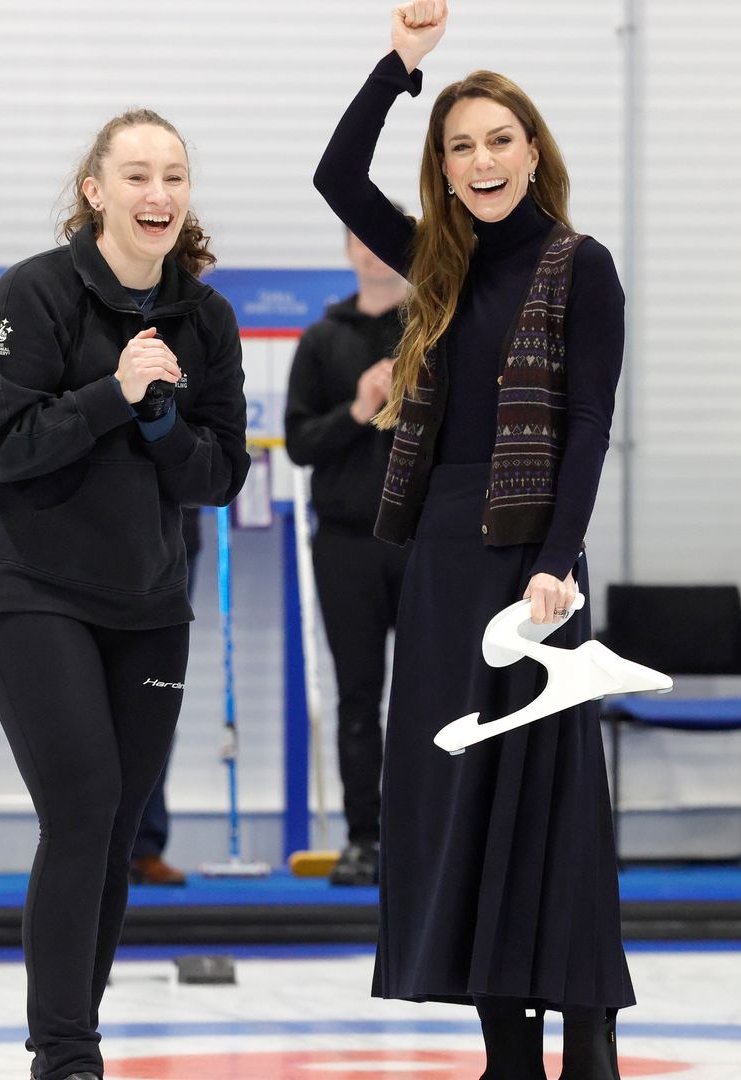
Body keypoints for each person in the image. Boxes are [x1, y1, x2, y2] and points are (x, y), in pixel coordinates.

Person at [314, 4, 630, 1076]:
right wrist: (404, 65)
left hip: (533, 560)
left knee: (553, 800)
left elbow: (588, 425)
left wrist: (556, 561)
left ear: (532, 151)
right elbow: (336, 173)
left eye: (499, 139)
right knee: (465, 792)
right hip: (444, 558)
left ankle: (587, 1027)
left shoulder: (583, 266)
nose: (481, 159)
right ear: (443, 169)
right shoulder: (436, 266)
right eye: (459, 146)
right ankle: (506, 1039)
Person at [0, 110, 249, 1080]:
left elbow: (220, 476)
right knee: (81, 808)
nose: (157, 194)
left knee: (117, 829)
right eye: (136, 176)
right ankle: (67, 1054)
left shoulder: (204, 320)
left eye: (173, 176)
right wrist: (113, 395)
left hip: (149, 605)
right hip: (32, 591)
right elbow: (10, 446)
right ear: (96, 192)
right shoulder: (28, 299)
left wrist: (163, 423)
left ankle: (73, 1032)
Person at [284, 224, 410, 887]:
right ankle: (366, 838)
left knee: (431, 695)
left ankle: (428, 836)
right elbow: (299, 442)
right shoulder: (321, 340)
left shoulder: (436, 331)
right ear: (348, 253)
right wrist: (359, 408)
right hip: (346, 545)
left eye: (383, 240)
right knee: (359, 699)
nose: (373, 251)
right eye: (361, 240)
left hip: (422, 543)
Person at [127, 506, 204, 889]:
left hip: (171, 543)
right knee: (90, 703)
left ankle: (143, 847)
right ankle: (87, 841)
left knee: (155, 701)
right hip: (87, 543)